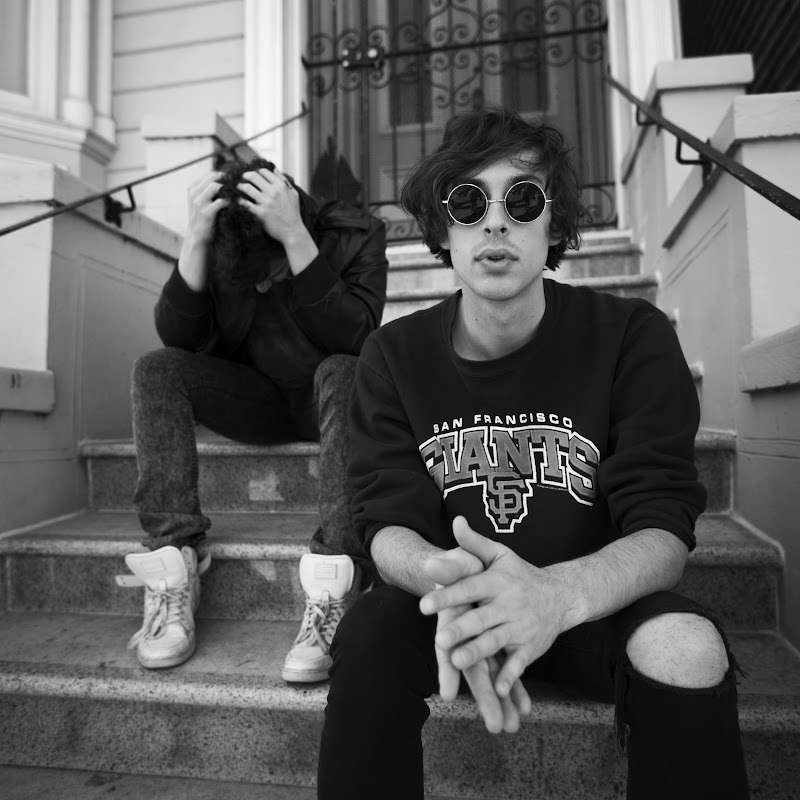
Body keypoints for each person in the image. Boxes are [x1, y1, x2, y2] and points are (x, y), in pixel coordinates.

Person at [316, 108, 750, 799]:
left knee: (688, 647)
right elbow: (384, 521)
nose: (495, 223)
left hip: (595, 604)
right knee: (366, 633)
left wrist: (553, 596)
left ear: (554, 224)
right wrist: (444, 576)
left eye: (521, 200)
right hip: (461, 610)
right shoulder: (392, 355)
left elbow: (663, 531)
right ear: (443, 229)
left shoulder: (631, 336)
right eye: (468, 202)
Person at [116, 156, 388, 683]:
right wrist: (195, 239)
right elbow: (178, 338)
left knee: (345, 370)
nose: (262, 288)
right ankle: (174, 559)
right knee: (156, 369)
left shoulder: (358, 235)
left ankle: (334, 583)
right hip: (256, 401)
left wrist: (295, 241)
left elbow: (358, 337)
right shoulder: (224, 240)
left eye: (271, 276)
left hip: (330, 399)